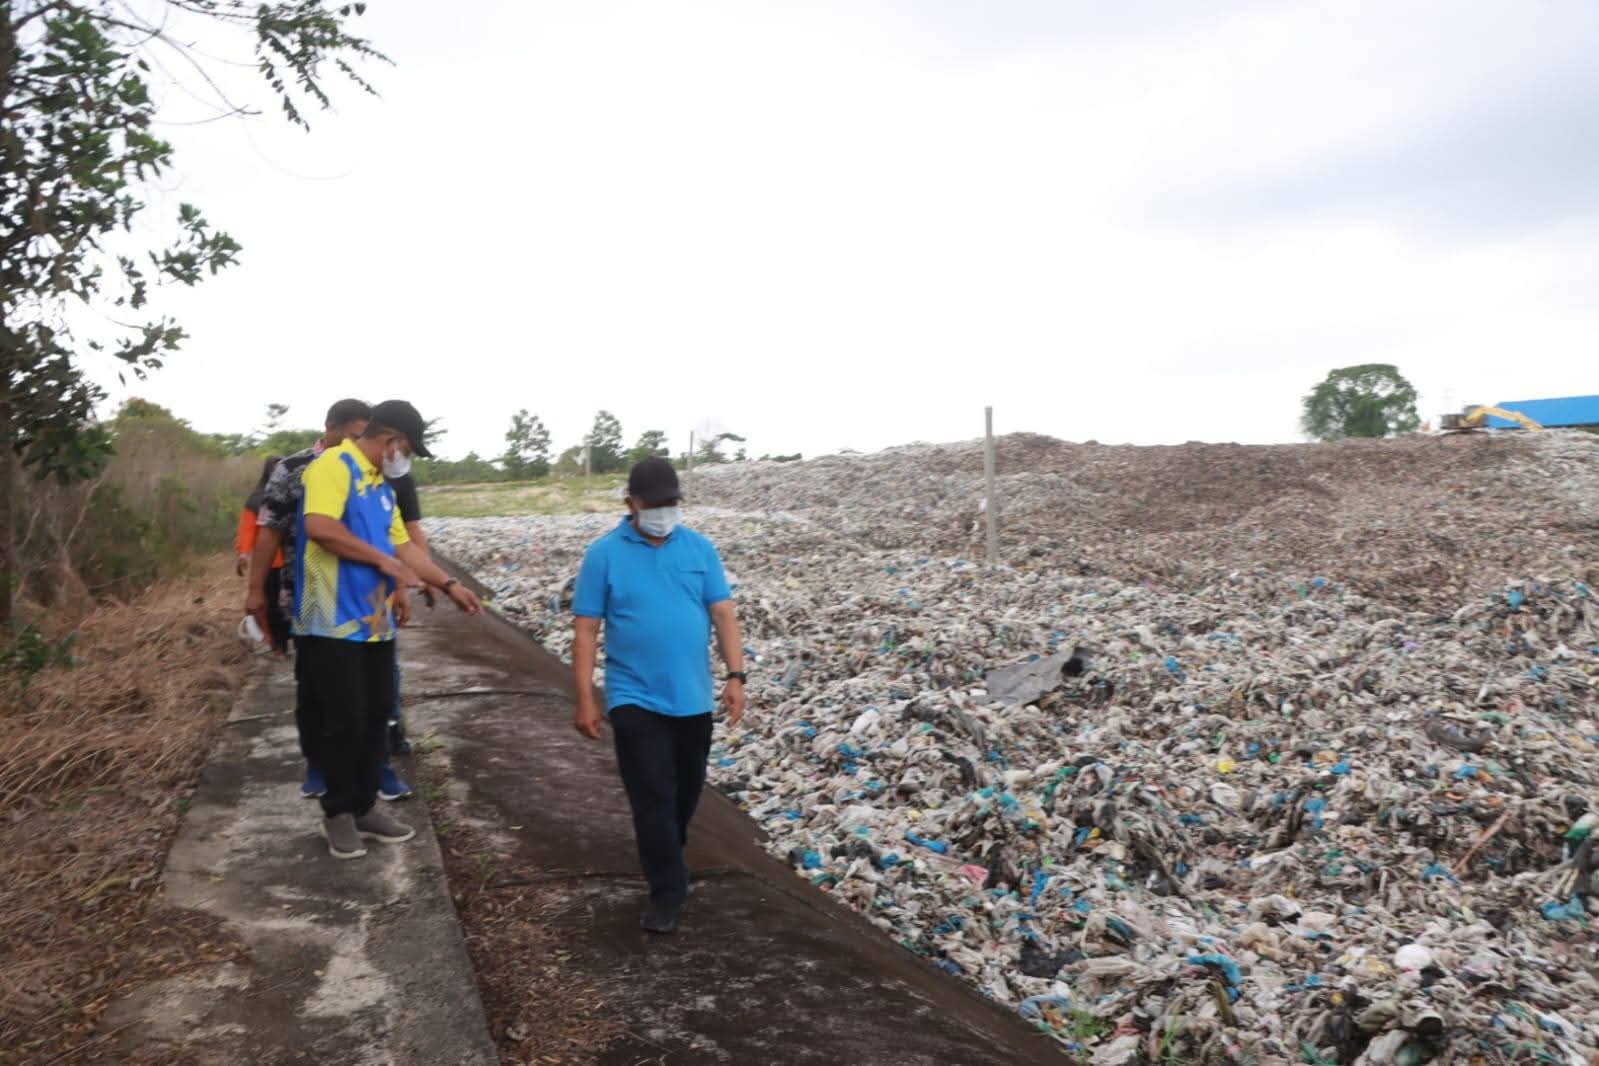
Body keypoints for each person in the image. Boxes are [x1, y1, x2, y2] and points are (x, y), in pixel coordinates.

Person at [294, 399, 481, 859]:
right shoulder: (332, 466)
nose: (406, 459)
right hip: (330, 621)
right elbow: (319, 527)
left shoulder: (381, 486)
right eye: (408, 450)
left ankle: (363, 807)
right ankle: (338, 813)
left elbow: (404, 546)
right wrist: (384, 562)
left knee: (375, 716)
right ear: (392, 440)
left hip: (374, 623)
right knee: (342, 720)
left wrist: (448, 583)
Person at [571, 457, 747, 933]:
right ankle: (668, 891)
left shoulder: (699, 549)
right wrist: (585, 698)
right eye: (654, 504)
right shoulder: (604, 554)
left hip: (693, 697)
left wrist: (736, 676)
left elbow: (723, 614)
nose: (663, 512)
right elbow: (586, 630)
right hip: (632, 695)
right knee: (652, 794)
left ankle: (668, 850)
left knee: (685, 792)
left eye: (671, 503)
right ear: (631, 503)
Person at [235, 455, 290, 655]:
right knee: (271, 605)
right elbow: (248, 529)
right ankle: (277, 645)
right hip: (269, 563)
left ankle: (288, 641)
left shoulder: (293, 493)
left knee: (291, 603)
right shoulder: (257, 499)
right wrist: (243, 553)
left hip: (292, 560)